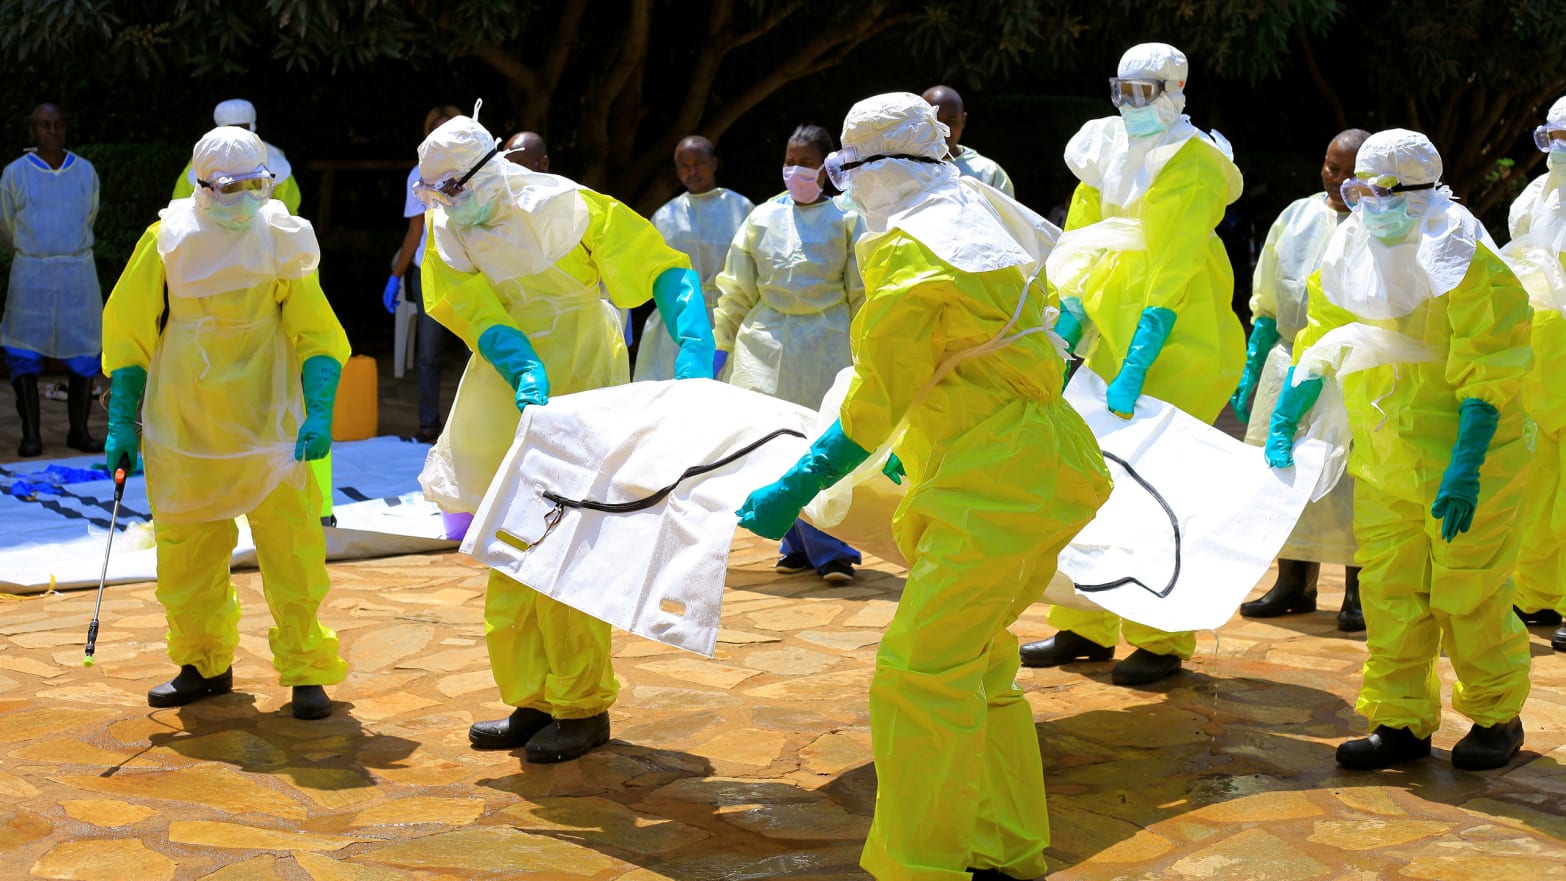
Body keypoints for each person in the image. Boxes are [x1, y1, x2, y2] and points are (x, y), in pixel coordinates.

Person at [737, 92, 1110, 881]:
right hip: (1041, 462)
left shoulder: (912, 251)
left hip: (993, 482)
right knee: (980, 661)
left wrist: (795, 486)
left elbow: (877, 397)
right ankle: (1003, 847)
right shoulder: (980, 216)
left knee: (919, 673)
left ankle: (919, 866)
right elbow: (1033, 335)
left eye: (849, 171)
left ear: (876, 169)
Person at [414, 109, 715, 763]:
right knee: (508, 541)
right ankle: (533, 698)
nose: (447, 204)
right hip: (508, 380)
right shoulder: (447, 226)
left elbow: (660, 268)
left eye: (454, 190)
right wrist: (519, 362)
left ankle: (582, 706)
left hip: (583, 371)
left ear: (488, 170)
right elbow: (465, 305)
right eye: (436, 193)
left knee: (569, 547)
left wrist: (692, 340)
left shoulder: (569, 206)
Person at [1268, 128, 1532, 771]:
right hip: (1386, 452)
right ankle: (1399, 721)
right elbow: (1324, 334)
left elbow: (1491, 363)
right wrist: (1289, 410)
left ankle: (1496, 716)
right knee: (1390, 590)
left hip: (1469, 456)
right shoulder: (1350, 245)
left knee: (1469, 592)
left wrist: (1467, 463)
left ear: (1419, 190)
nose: (1367, 203)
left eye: (1381, 191)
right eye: (1360, 189)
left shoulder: (1463, 254)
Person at [102, 127, 349, 720]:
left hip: (269, 415)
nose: (243, 199)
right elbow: (129, 330)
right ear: (203, 184)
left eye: (253, 185)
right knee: (186, 551)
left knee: (292, 547)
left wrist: (319, 411)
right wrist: (121, 421)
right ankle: (202, 662)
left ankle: (306, 668)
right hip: (185, 417)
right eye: (230, 188)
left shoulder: (283, 237)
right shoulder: (167, 237)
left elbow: (316, 331)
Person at [1018, 42, 1244, 686]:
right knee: (1089, 481)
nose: (1131, 105)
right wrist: (1066, 329)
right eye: (1122, 91)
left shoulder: (1193, 161)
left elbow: (1174, 269)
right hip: (1107, 324)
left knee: (1159, 489)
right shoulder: (1101, 147)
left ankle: (1161, 637)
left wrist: (1141, 360)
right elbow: (1081, 243)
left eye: (1145, 92)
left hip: (1180, 338)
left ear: (1176, 92)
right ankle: (1083, 625)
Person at [714, 124, 864, 583]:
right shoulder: (761, 218)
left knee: (820, 445)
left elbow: (860, 290)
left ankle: (832, 547)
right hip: (765, 345)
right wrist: (721, 344)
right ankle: (796, 542)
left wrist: (866, 347)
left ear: (827, 167)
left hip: (826, 344)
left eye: (806, 162)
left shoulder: (846, 219)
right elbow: (737, 289)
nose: (795, 170)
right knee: (775, 442)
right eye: (789, 160)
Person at [1234, 129, 1370, 632]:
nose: (1340, 180)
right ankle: (1293, 582)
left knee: (1352, 480)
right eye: (1333, 168)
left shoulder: (1381, 224)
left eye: (1353, 173)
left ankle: (1360, 590)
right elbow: (1269, 295)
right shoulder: (1296, 216)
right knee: (1281, 476)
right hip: (1288, 358)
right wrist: (1253, 366)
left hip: (1354, 366)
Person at [1, 103, 102, 457]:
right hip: (31, 272)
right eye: (45, 125)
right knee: (23, 350)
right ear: (33, 131)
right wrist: (34, 248)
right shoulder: (15, 173)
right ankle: (31, 434)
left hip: (78, 273)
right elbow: (7, 223)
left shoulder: (85, 171)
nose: (53, 131)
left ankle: (79, 431)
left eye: (58, 124)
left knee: (84, 349)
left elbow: (89, 215)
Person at [1506, 96, 1566, 653]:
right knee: (1539, 482)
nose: (1557, 151)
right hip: (1542, 357)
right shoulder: (1534, 197)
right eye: (1552, 139)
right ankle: (1538, 592)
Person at [634, 135, 752, 381]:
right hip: (676, 322)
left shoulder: (741, 208)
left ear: (714, 164)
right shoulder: (665, 216)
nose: (692, 172)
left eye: (698, 164)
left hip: (727, 318)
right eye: (684, 166)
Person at [381, 105, 462, 442]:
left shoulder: (475, 170)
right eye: (435, 131)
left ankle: (470, 428)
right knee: (429, 354)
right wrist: (396, 275)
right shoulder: (418, 174)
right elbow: (415, 232)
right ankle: (429, 425)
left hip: (467, 270)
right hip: (427, 271)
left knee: (478, 350)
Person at [173, 100, 301, 214]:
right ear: (252, 125)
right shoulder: (276, 159)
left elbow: (180, 204)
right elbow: (290, 208)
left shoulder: (202, 159)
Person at [922, 85, 1016, 197]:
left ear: (963, 121)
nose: (942, 129)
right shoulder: (906, 167)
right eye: (934, 120)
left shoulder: (989, 173)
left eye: (951, 121)